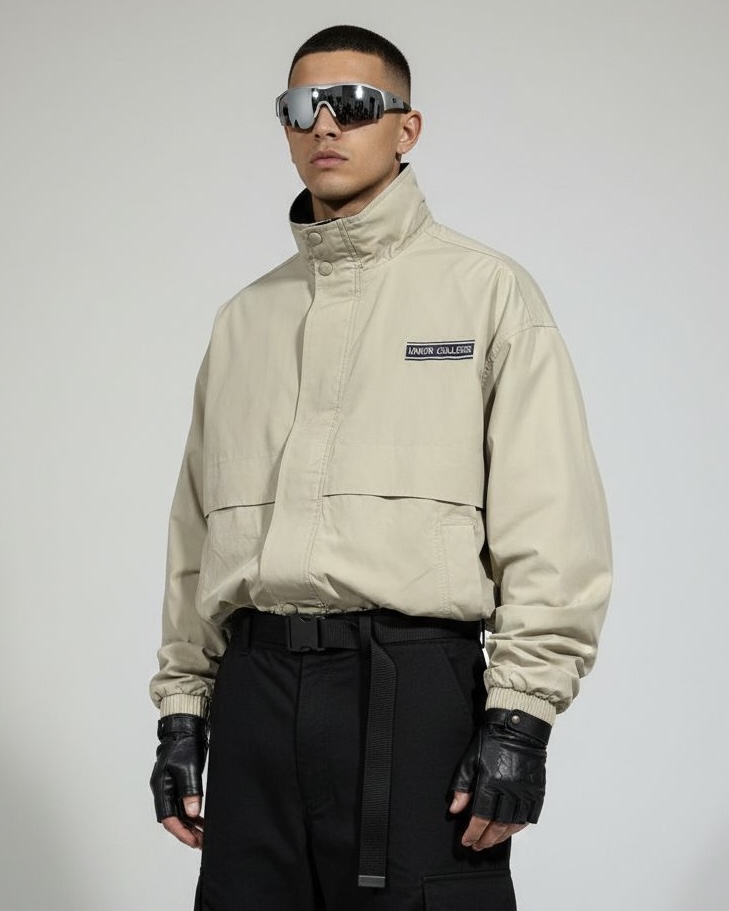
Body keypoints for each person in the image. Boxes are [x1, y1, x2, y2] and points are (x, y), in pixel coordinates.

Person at [149, 24, 612, 911]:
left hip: (412, 693)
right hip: (255, 694)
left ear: (407, 128)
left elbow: (552, 523)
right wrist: (181, 712)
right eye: (299, 107)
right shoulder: (244, 320)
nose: (323, 124)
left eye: (353, 105)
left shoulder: (487, 294)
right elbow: (194, 539)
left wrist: (521, 718)